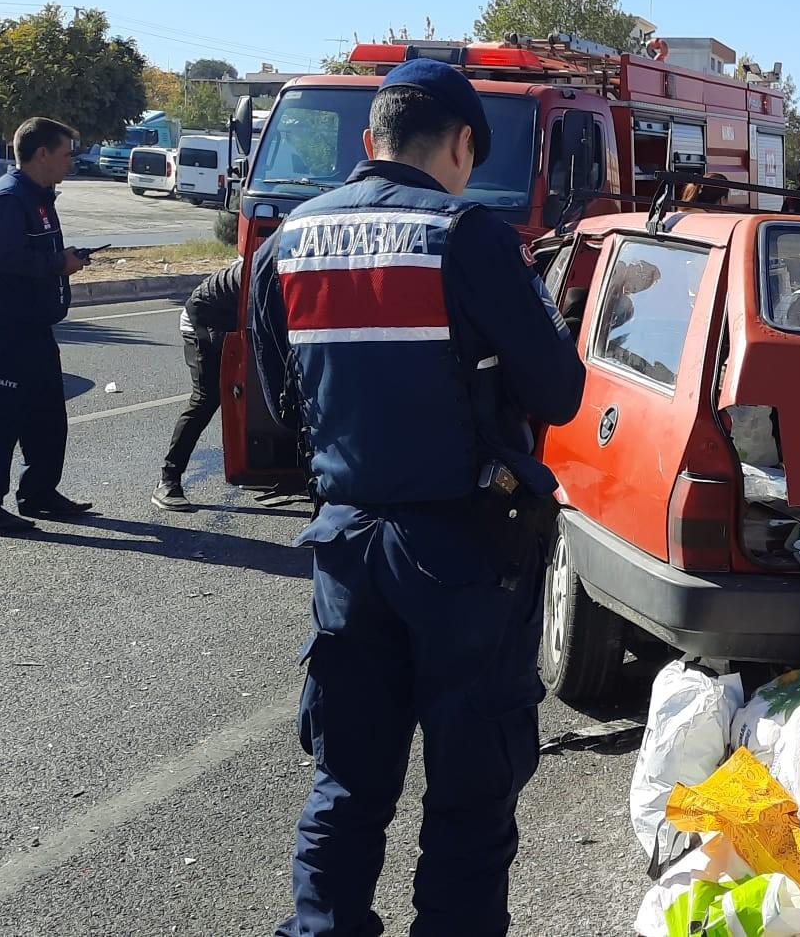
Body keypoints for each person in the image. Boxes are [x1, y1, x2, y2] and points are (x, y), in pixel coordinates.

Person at [248, 59, 586, 935]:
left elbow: (285, 406)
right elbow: (558, 392)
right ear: (464, 144)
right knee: (470, 796)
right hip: (463, 557)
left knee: (348, 782)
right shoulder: (468, 235)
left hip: (346, 551)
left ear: (369, 142)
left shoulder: (288, 243)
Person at [0, 118, 92, 534]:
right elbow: (6, 258)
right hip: (5, 329)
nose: (72, 161)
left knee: (48, 417)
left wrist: (64, 258)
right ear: (42, 154)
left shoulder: (39, 196)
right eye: (67, 154)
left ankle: (38, 493)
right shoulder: (8, 198)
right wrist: (59, 264)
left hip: (34, 328)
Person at [152, 263, 243, 511]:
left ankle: (254, 466)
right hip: (201, 319)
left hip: (232, 320)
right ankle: (168, 480)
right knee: (207, 398)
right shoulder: (263, 272)